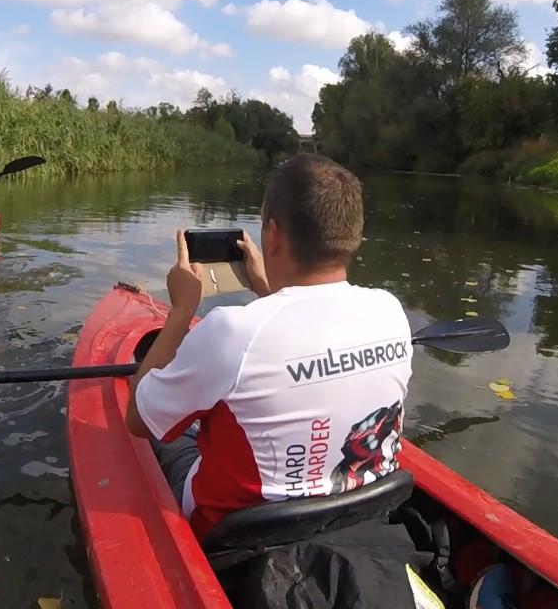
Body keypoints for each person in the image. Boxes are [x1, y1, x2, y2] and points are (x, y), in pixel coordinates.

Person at [125, 153, 414, 541]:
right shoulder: (390, 311)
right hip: (353, 512)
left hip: (234, 533)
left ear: (273, 235)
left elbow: (138, 421)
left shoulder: (231, 331)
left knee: (178, 432)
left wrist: (180, 312)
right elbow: (304, 334)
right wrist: (268, 289)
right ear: (354, 236)